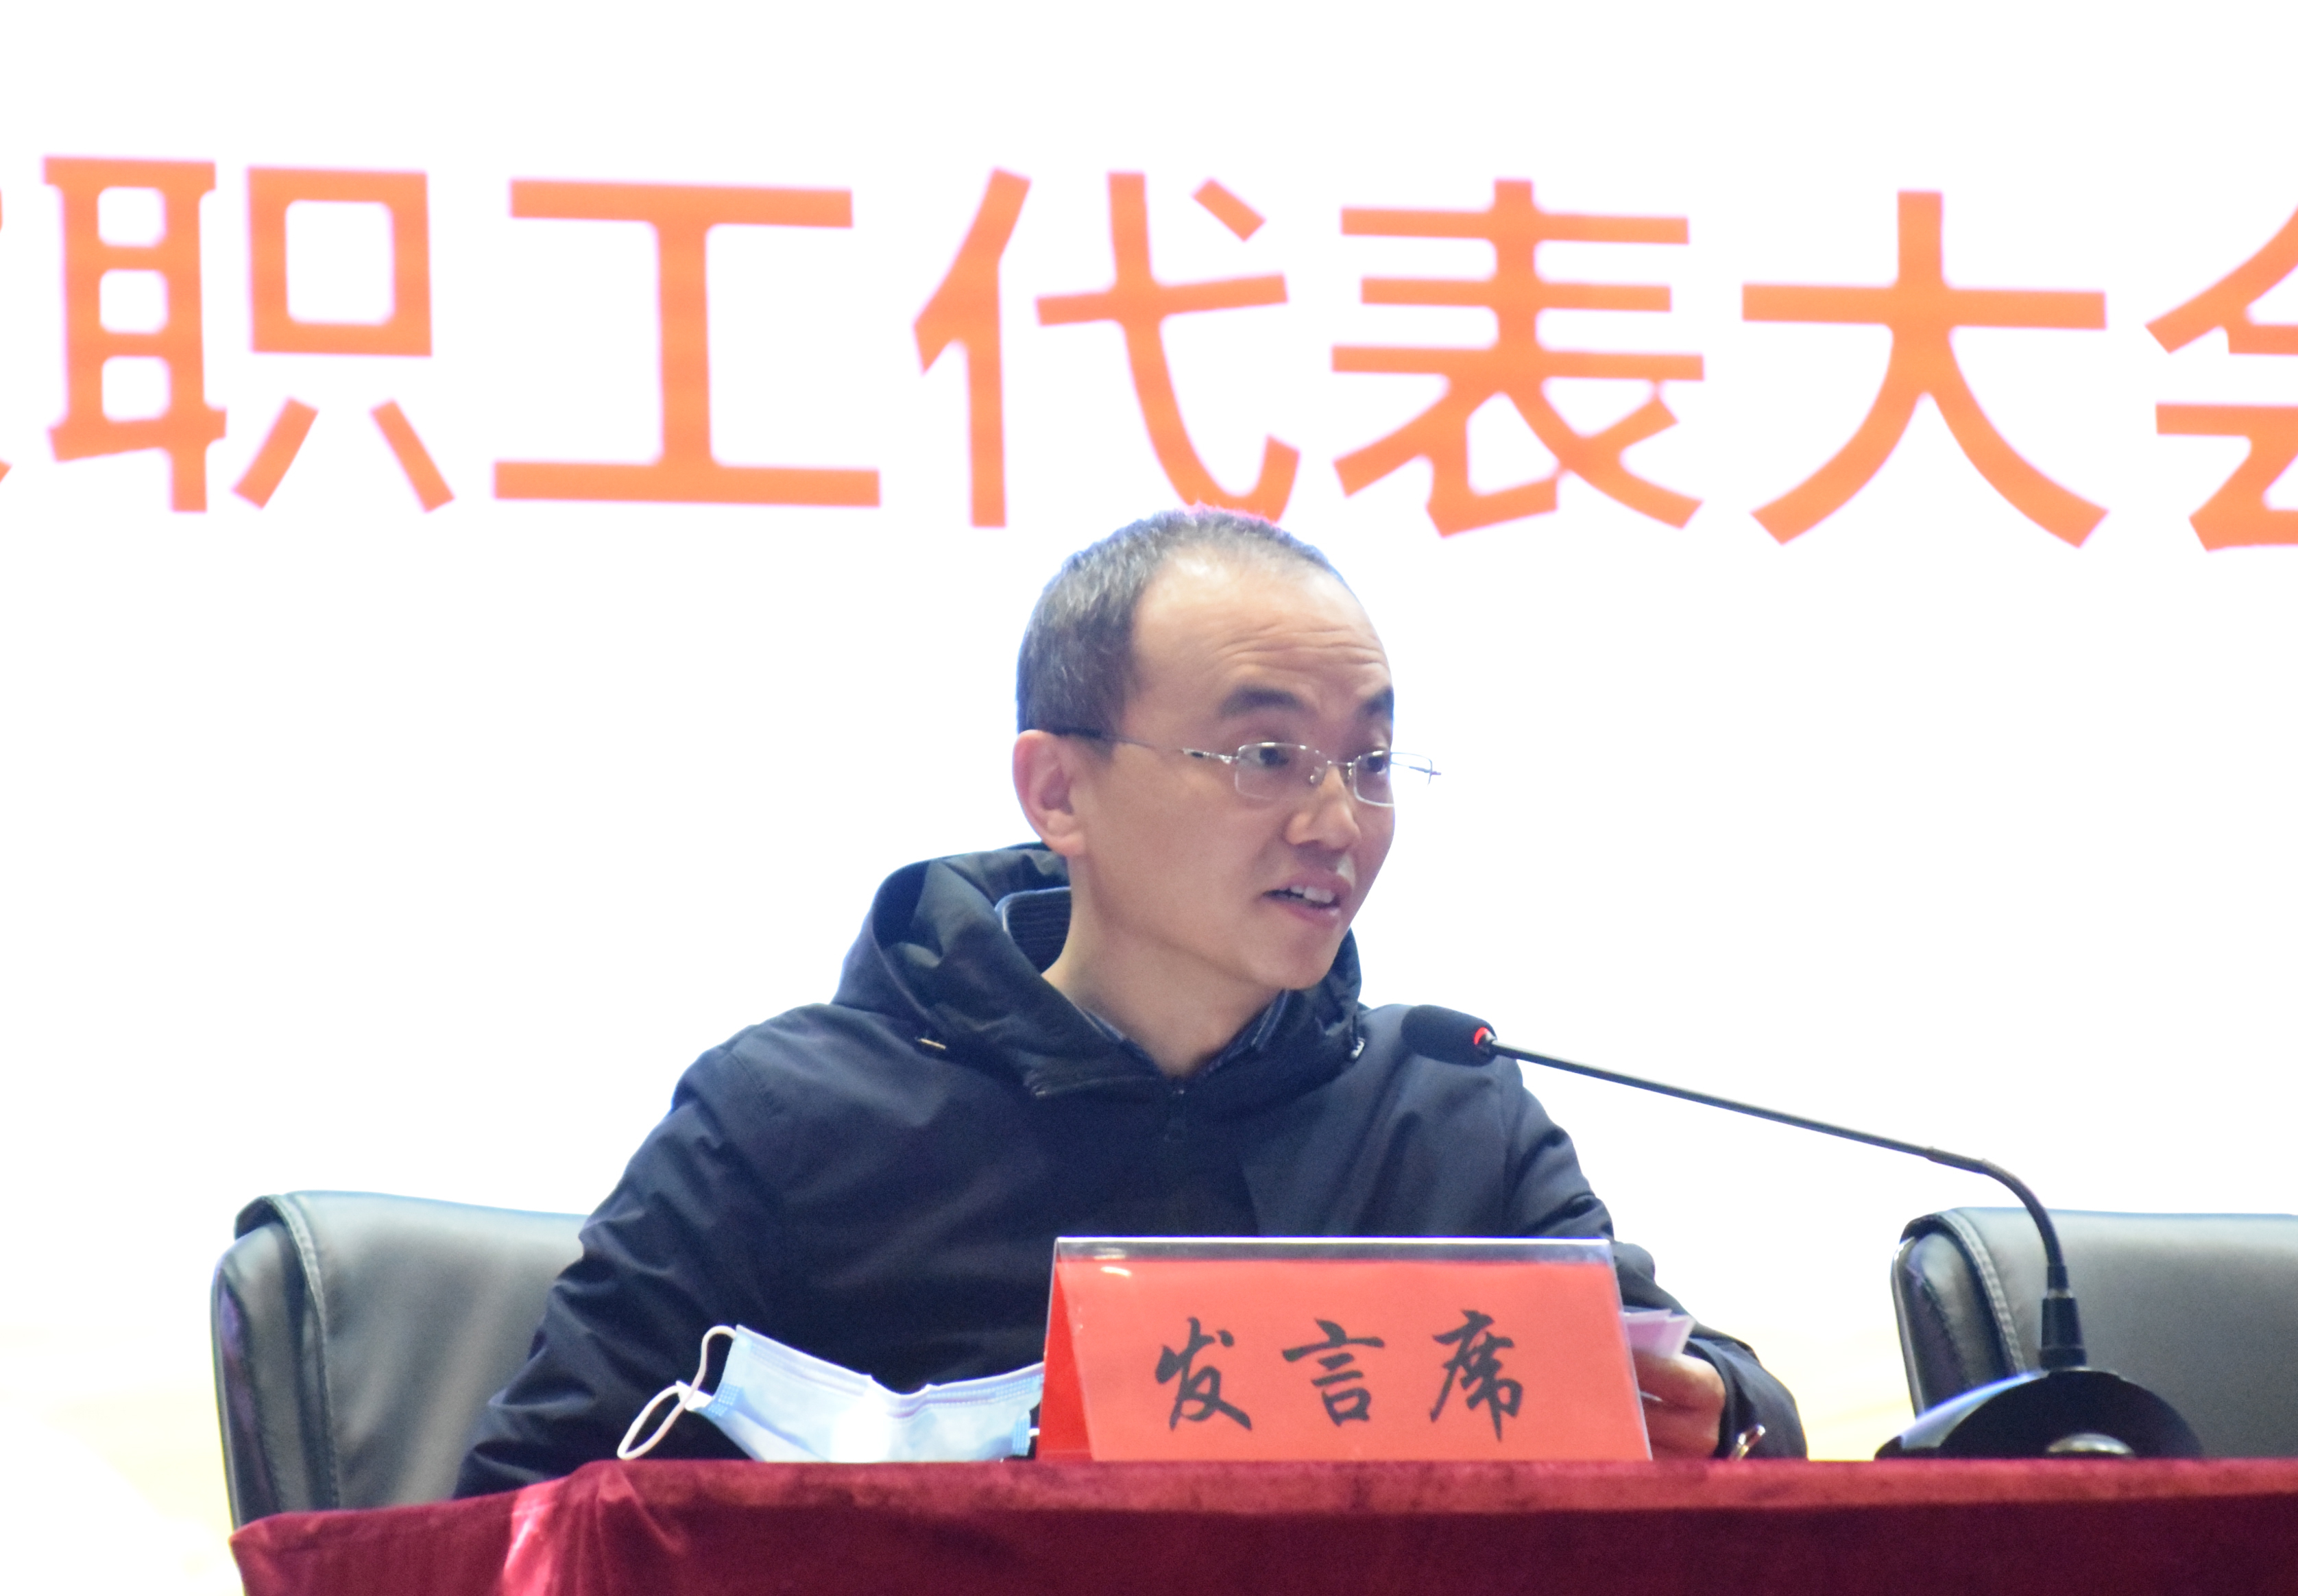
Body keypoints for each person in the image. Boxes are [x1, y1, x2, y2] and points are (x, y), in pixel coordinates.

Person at [455, 508, 1802, 1495]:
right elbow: (525, 1510)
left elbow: (1725, 1398)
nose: (1335, 822)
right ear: (1059, 792)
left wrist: (1719, 1408)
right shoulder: (792, 1118)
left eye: (1372, 761)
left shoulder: (1444, 1109)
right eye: (1267, 755)